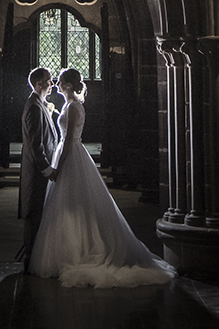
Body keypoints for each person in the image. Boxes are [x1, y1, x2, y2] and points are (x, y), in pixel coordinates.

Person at [29, 67, 175, 288]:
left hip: (71, 156)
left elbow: (69, 141)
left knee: (75, 203)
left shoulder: (74, 107)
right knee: (68, 204)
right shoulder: (70, 105)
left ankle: (79, 251)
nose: (56, 85)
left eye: (59, 81)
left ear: (68, 85)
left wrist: (58, 166)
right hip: (69, 154)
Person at [18, 66, 58, 265]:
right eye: (49, 80)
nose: (52, 84)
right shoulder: (34, 106)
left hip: (40, 172)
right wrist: (46, 168)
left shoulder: (40, 104)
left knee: (38, 215)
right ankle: (31, 260)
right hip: (36, 173)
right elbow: (35, 144)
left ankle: (35, 257)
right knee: (33, 216)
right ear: (38, 83)